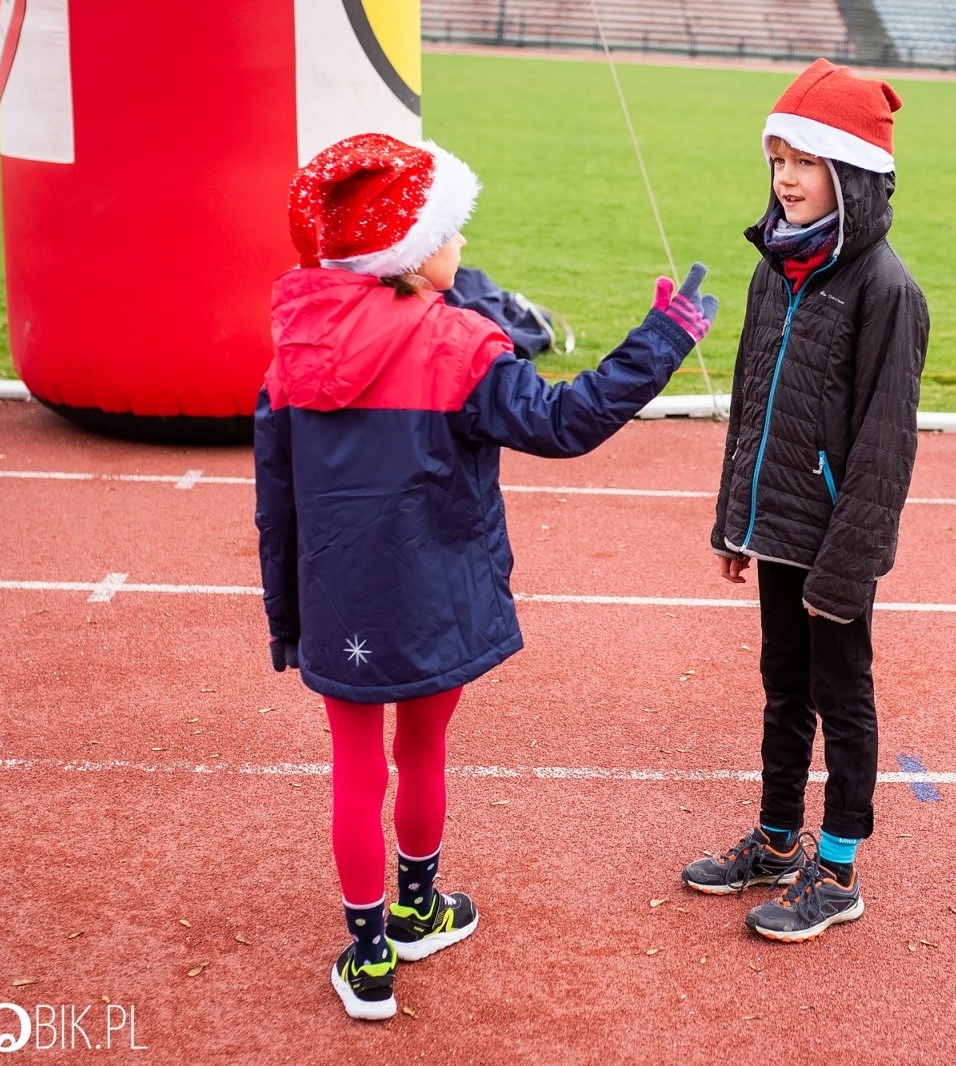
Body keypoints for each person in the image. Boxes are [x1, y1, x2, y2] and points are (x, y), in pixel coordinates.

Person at [255, 133, 718, 1019]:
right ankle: (419, 907)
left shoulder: (294, 346)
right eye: (452, 233)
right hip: (434, 596)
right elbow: (563, 422)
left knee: (355, 765)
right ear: (414, 249)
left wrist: (290, 615)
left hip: (337, 595)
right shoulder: (459, 342)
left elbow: (275, 500)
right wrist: (661, 341)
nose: (463, 248)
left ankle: (368, 960)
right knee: (420, 746)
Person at [683, 59, 929, 942]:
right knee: (782, 683)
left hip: (834, 544)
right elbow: (752, 402)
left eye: (805, 163)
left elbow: (884, 447)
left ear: (850, 175)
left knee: (842, 694)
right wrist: (733, 519)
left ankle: (838, 870)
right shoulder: (773, 270)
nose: (784, 179)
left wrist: (847, 567)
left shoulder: (886, 290)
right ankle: (778, 840)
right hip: (777, 525)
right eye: (776, 160)